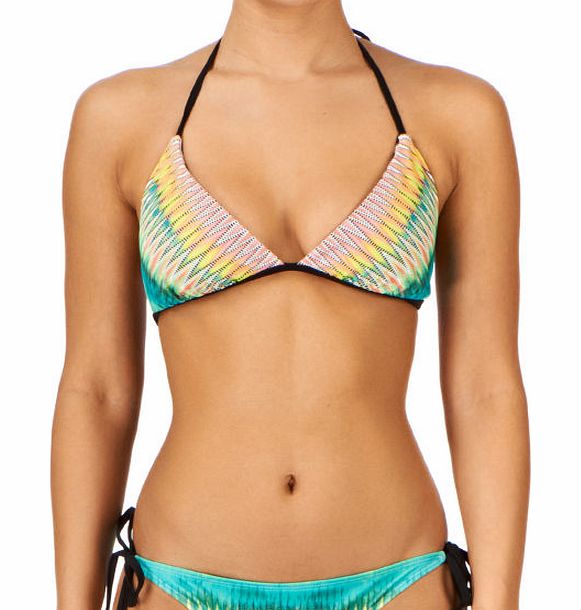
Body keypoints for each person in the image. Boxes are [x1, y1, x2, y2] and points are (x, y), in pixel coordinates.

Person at [51, 2, 530, 609]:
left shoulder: (458, 114)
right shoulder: (119, 119)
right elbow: (97, 389)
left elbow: (484, 387)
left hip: (400, 582)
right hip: (179, 581)